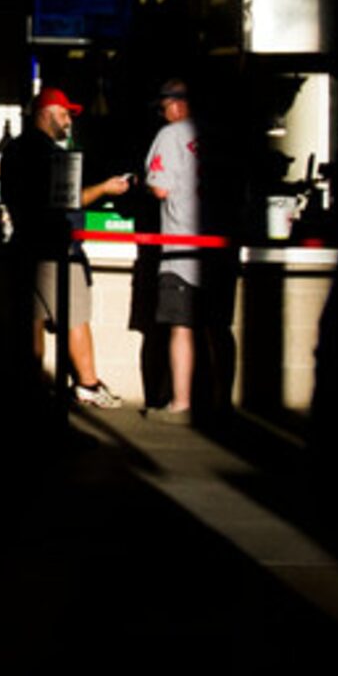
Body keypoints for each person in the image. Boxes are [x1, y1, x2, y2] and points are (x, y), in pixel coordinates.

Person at [1, 86, 133, 405]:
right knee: (74, 316)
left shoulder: (13, 151)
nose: (68, 121)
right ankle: (88, 385)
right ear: (45, 114)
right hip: (57, 250)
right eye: (63, 114)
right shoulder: (52, 155)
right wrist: (104, 188)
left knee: (30, 322)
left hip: (24, 245)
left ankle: (31, 391)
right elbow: (68, 201)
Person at [143, 79, 203, 421]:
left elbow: (161, 189)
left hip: (180, 248)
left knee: (181, 328)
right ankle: (219, 400)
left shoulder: (171, 135)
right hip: (216, 250)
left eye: (164, 107)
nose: (164, 113)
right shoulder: (219, 134)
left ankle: (181, 402)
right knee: (216, 329)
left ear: (177, 104)